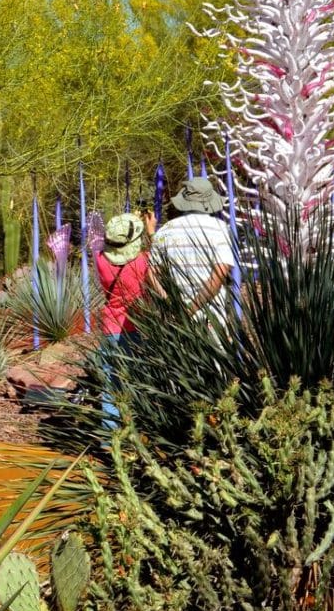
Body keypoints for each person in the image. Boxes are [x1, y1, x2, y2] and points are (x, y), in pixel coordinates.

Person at [95, 212, 150, 427]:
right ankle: (136, 431)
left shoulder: (100, 259)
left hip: (110, 326)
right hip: (135, 326)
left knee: (110, 383)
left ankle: (110, 436)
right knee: (136, 381)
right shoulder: (142, 261)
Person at [149, 177, 234, 314]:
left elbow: (151, 273)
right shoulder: (220, 229)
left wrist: (170, 301)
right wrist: (192, 309)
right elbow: (219, 273)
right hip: (211, 317)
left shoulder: (165, 230)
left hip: (174, 317)